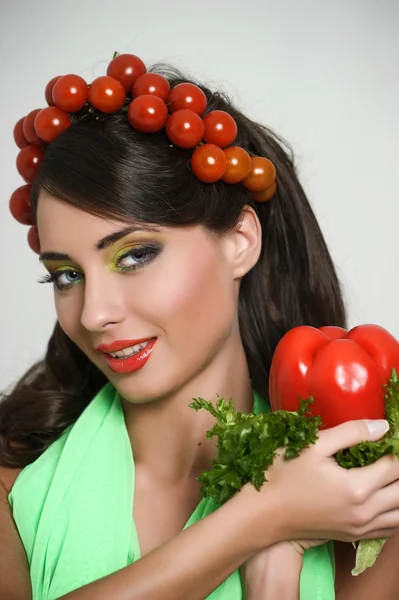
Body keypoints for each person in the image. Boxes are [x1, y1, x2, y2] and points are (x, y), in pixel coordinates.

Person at [1, 53, 399, 600]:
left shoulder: (358, 495)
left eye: (135, 256)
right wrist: (264, 519)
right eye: (66, 275)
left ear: (240, 242)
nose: (93, 313)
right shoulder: (12, 482)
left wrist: (275, 580)